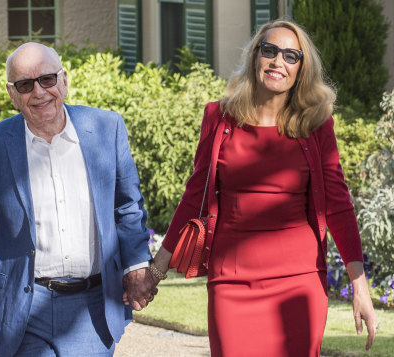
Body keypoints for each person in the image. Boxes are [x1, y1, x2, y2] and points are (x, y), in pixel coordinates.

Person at [148, 20, 378, 356]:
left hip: (299, 282)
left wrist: (361, 288)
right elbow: (194, 195)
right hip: (231, 281)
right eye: (269, 51)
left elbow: (339, 206)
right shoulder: (219, 117)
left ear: (301, 69)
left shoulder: (316, 125)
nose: (277, 62)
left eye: (290, 56)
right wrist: (156, 269)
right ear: (256, 56)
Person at [0, 42, 157, 357]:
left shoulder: (106, 128)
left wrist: (137, 265)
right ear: (12, 94)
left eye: (47, 79)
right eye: (26, 85)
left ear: (64, 81)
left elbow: (127, 208)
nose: (40, 92)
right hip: (23, 308)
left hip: (92, 310)